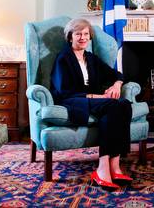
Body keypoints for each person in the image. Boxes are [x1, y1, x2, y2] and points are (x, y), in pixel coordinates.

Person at [50, 18, 133, 190]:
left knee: (123, 104)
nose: (82, 37)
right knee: (113, 105)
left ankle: (115, 166)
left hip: (93, 99)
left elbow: (117, 74)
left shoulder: (91, 58)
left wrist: (116, 85)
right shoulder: (63, 58)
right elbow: (64, 91)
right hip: (72, 99)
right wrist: (98, 96)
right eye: (78, 34)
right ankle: (103, 167)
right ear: (70, 37)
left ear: (90, 37)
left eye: (86, 34)